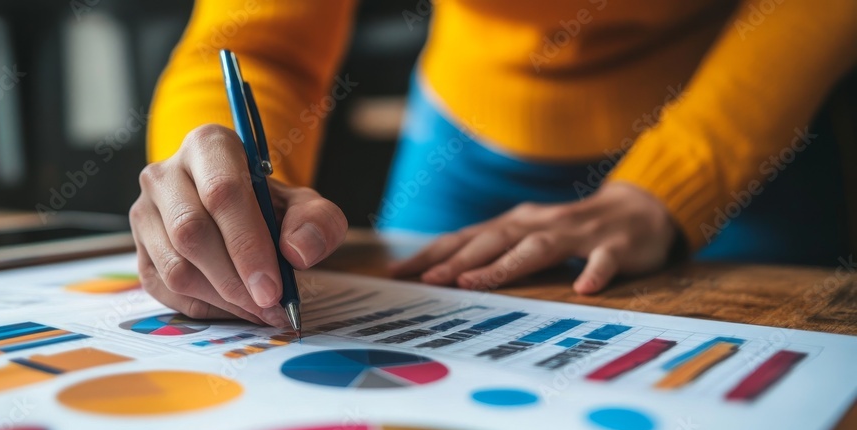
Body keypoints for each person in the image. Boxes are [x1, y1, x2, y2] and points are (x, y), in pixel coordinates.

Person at [130, 0, 857, 327]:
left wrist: (672, 186)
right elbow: (257, 41)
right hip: (463, 137)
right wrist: (213, 155)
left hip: (735, 114)